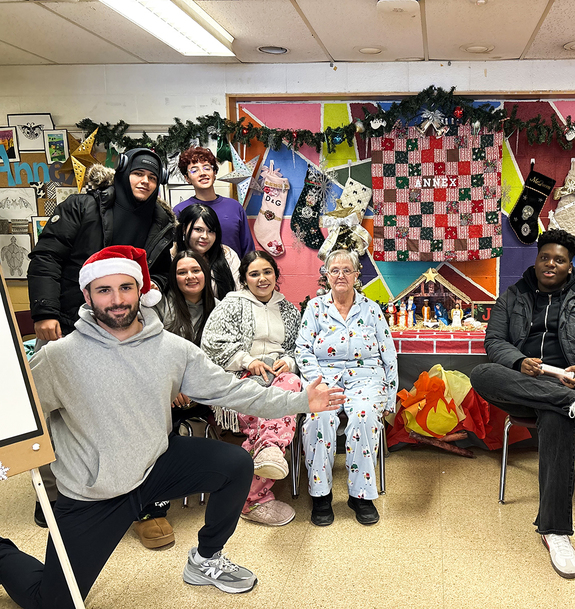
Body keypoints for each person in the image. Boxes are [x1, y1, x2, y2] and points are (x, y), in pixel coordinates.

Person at [0, 245, 344, 608]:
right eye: (104, 290)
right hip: (94, 492)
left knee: (235, 464)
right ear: (87, 295)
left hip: (156, 463)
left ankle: (206, 559)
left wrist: (300, 401)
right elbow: (15, 415)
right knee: (53, 602)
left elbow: (232, 391)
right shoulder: (59, 357)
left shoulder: (170, 349)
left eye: (126, 287)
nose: (117, 300)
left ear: (140, 290)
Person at [26, 148, 174, 525]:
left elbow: (162, 274)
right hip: (65, 324)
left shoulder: (160, 222)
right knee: (54, 414)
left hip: (119, 333)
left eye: (153, 177)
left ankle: (117, 487)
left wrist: (151, 286)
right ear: (124, 173)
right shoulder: (82, 206)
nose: (145, 181)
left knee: (113, 411)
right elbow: (46, 257)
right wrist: (43, 312)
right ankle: (52, 495)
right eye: (139, 173)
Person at [469, 229, 575, 580]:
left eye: (559, 260)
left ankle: (555, 532)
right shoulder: (513, 296)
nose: (551, 265)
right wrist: (516, 361)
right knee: (481, 374)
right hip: (530, 384)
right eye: (545, 258)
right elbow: (494, 340)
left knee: (555, 420)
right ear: (536, 260)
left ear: (570, 266)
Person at [295, 249, 398, 527]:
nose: (341, 275)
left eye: (346, 270)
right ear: (326, 275)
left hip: (367, 376)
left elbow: (388, 352)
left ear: (356, 275)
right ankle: (321, 496)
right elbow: (303, 350)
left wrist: (390, 392)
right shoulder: (315, 308)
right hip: (325, 376)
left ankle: (361, 496)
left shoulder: (371, 309)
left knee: (363, 417)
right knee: (319, 417)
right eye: (334, 270)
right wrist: (316, 383)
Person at [201, 250, 302, 526]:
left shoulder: (289, 310)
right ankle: (258, 488)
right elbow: (211, 343)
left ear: (276, 275)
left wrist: (289, 361)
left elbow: (300, 348)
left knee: (291, 385)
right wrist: (248, 360)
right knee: (261, 407)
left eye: (267, 272)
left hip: (279, 377)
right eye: (254, 274)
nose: (261, 279)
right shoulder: (232, 304)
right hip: (241, 377)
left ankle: (253, 489)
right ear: (245, 279)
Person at [132, 250, 219, 550]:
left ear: (206, 273)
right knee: (153, 423)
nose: (190, 276)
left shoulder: (220, 309)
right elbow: (152, 354)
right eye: (182, 272)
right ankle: (150, 508)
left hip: (207, 392)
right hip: (170, 392)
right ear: (174, 277)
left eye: (196, 270)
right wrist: (173, 386)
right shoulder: (162, 309)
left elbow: (219, 358)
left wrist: (196, 387)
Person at [174, 146, 255, 258]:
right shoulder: (180, 210)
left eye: (207, 168)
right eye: (194, 170)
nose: (202, 173)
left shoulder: (235, 207)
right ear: (187, 178)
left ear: (215, 172)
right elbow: (176, 250)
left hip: (233, 272)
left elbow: (248, 249)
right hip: (196, 273)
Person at [174, 203, 239, 300]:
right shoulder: (170, 256)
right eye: (198, 229)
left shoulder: (227, 254)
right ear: (184, 229)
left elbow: (239, 292)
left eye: (211, 231)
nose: (205, 236)